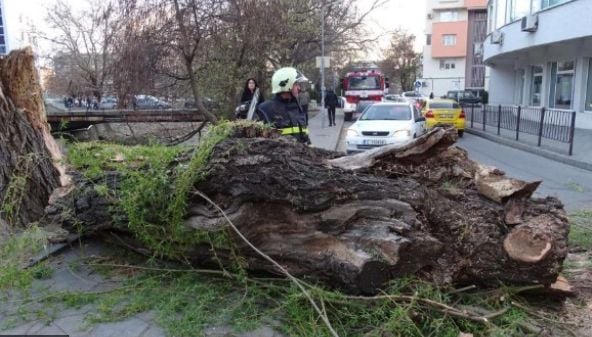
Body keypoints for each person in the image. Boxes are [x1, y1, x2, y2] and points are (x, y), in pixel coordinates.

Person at [256, 67, 310, 144]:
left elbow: (305, 136)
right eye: (296, 84)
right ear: (286, 85)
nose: (299, 88)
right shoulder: (265, 109)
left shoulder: (297, 106)